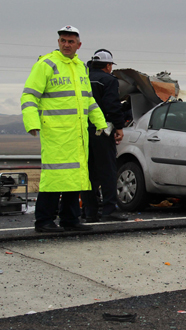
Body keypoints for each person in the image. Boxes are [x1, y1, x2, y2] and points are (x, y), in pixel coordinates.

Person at [20, 26, 108, 232]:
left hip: (77, 134)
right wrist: (31, 122)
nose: (66, 44)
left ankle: (70, 219)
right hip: (56, 133)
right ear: (58, 42)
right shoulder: (46, 64)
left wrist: (101, 124)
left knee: (75, 177)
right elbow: (29, 95)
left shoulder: (79, 67)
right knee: (54, 177)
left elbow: (88, 100)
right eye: (63, 40)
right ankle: (43, 221)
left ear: (79, 45)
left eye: (70, 41)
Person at [81, 49, 128, 222]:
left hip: (83, 131)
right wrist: (119, 126)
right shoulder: (108, 80)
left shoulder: (83, 78)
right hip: (102, 130)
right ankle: (109, 209)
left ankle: (89, 211)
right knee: (108, 170)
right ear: (108, 66)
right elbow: (112, 105)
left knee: (88, 172)